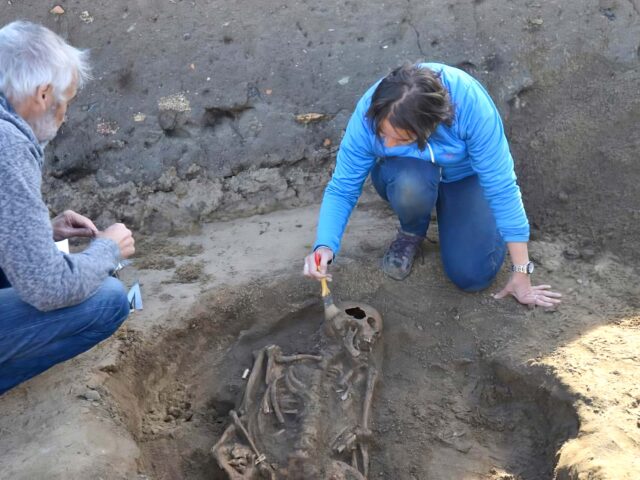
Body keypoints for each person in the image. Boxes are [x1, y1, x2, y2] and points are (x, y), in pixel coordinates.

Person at [303, 63, 561, 308]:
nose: (388, 146)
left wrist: (521, 271)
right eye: (383, 135)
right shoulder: (371, 112)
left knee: (472, 277)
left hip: (464, 178)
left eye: (400, 139)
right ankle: (411, 231)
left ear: (431, 127)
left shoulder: (471, 107)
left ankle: (454, 210)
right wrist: (324, 245)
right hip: (407, 174)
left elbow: (501, 187)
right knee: (410, 186)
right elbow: (342, 188)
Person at [0, 21, 135, 395]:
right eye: (66, 100)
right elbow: (49, 289)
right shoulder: (6, 145)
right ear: (44, 94)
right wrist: (107, 250)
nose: (64, 113)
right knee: (109, 300)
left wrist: (43, 232)